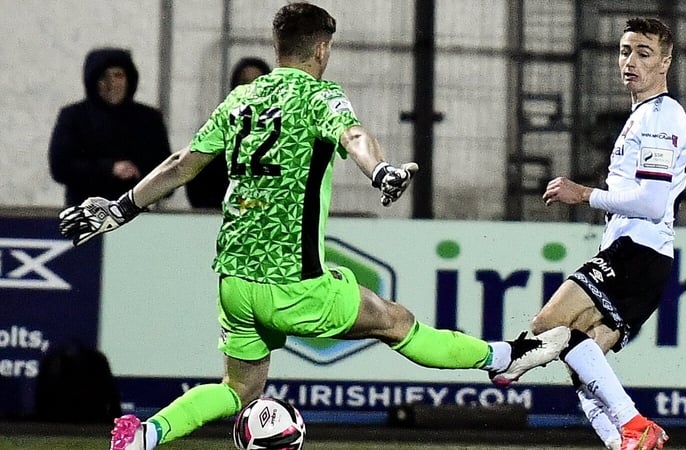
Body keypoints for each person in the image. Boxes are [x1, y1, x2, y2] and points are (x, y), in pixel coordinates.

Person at [57, 3, 569, 450]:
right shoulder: (319, 96)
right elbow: (354, 136)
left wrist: (121, 208)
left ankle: (146, 435)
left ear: (277, 47)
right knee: (395, 322)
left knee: (238, 390)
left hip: (236, 281)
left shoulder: (242, 99)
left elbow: (182, 163)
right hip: (293, 283)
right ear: (322, 49)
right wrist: (380, 171)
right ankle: (504, 357)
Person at [526, 18, 686, 450]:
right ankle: (623, 441)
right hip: (644, 257)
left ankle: (634, 424)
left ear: (665, 63)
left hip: (637, 252)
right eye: (625, 51)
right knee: (582, 356)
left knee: (548, 325)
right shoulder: (643, 116)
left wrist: (585, 194)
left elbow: (652, 203)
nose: (630, 61)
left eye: (644, 53)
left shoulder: (660, 116)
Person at [49, 47, 172, 206]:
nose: (111, 84)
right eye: (103, 77)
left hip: (137, 212)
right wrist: (109, 169)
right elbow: (60, 167)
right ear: (93, 82)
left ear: (129, 79)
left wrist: (138, 173)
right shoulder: (74, 117)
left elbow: (167, 174)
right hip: (86, 211)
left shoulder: (149, 119)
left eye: (118, 76)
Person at [185, 57, 272, 209]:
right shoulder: (216, 129)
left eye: (258, 82)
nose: (251, 89)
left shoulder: (285, 133)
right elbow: (196, 184)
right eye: (244, 83)